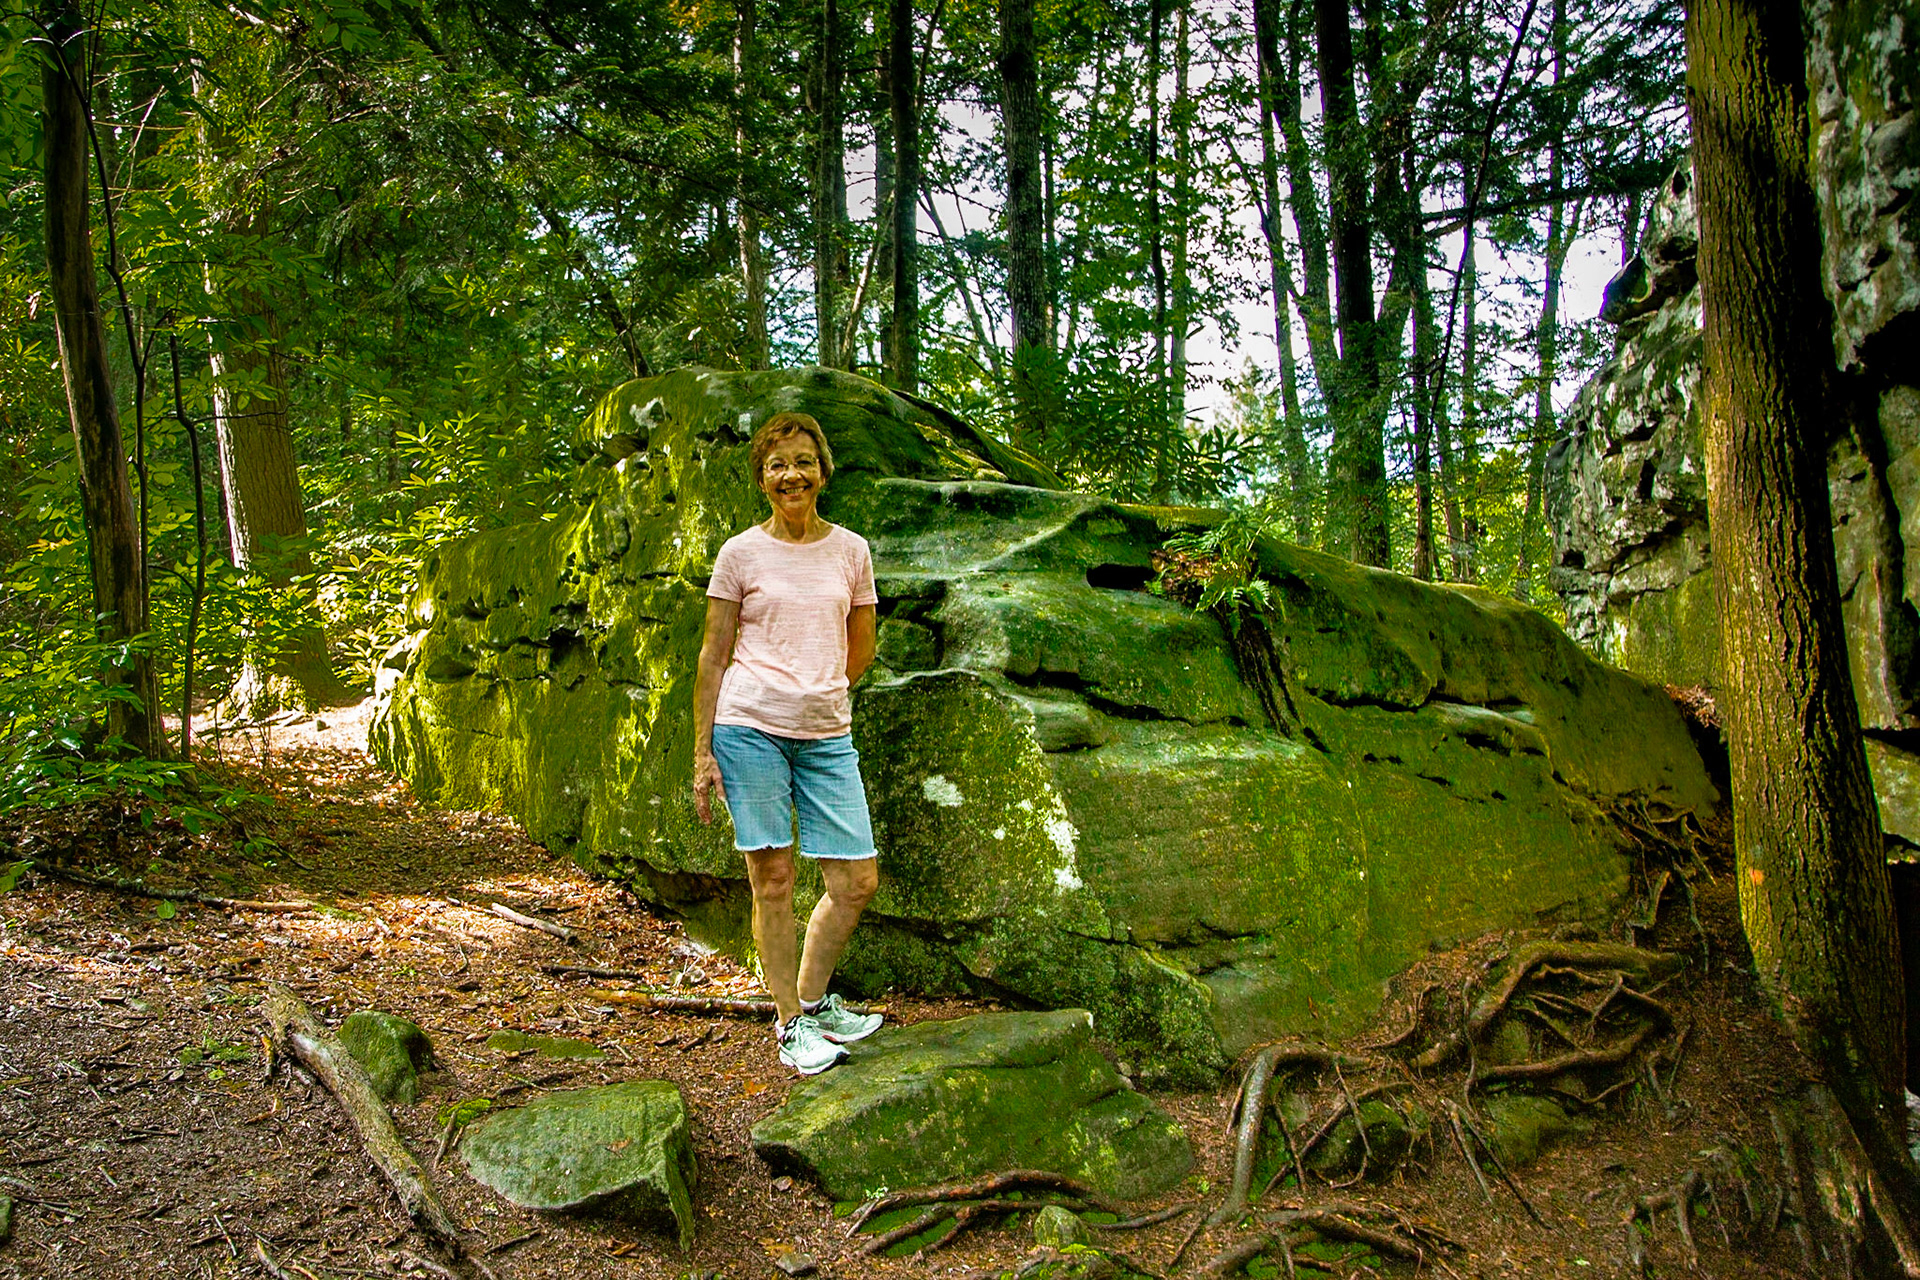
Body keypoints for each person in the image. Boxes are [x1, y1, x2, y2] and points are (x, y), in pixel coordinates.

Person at [691, 411, 885, 1074]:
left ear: (822, 472)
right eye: (777, 465)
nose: (791, 475)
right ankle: (789, 1024)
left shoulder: (852, 551)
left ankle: (812, 998)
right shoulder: (740, 553)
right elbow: (713, 656)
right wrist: (702, 752)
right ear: (762, 480)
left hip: (827, 732)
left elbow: (862, 646)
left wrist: (817, 690)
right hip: (748, 728)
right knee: (772, 877)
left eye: (803, 461)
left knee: (856, 879)